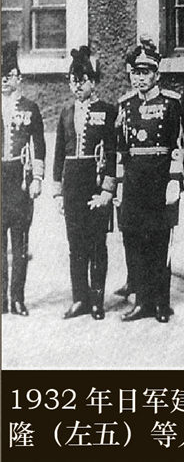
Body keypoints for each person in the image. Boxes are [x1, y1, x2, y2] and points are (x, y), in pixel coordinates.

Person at [116, 37, 184, 323]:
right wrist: (120, 184)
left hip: (160, 182)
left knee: (159, 243)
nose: (140, 78)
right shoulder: (126, 105)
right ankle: (143, 302)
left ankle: (161, 303)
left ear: (156, 74)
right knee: (136, 244)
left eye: (145, 72)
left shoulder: (171, 103)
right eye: (136, 72)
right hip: (134, 183)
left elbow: (178, 144)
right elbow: (121, 149)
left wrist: (174, 179)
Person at [53, 46, 117, 321]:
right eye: (73, 81)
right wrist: (58, 193)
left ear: (93, 82)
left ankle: (97, 301)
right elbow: (58, 154)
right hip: (72, 186)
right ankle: (80, 298)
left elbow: (112, 152)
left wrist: (107, 190)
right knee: (75, 245)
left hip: (95, 183)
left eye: (83, 81)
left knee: (97, 244)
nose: (77, 86)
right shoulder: (66, 113)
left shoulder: (107, 111)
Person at [1, 42, 45, 317]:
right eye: (1, 75)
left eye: (10, 74)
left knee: (20, 242)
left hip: (20, 179)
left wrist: (37, 178)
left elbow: (38, 145)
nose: (5, 80)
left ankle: (17, 298)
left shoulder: (30, 108)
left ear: (19, 77)